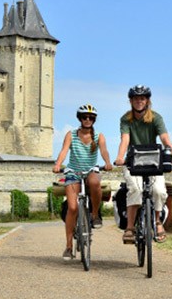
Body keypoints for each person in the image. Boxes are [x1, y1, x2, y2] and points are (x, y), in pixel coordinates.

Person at [114, 85, 172, 244]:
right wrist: (119, 157)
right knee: (135, 190)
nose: (139, 101)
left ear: (147, 101)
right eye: (136, 98)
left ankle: (157, 222)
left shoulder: (156, 118)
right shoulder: (126, 119)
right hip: (133, 160)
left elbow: (165, 138)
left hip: (153, 160)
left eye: (142, 98)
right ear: (130, 101)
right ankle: (130, 227)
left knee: (158, 191)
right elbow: (125, 140)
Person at [53, 104, 113, 260]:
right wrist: (58, 164)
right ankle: (68, 247)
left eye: (91, 117)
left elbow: (104, 150)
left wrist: (107, 162)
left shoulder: (98, 135)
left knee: (94, 183)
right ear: (79, 118)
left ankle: (94, 215)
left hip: (91, 169)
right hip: (73, 171)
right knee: (72, 208)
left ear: (94, 120)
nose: (88, 119)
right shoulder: (71, 134)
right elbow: (64, 150)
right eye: (85, 117)